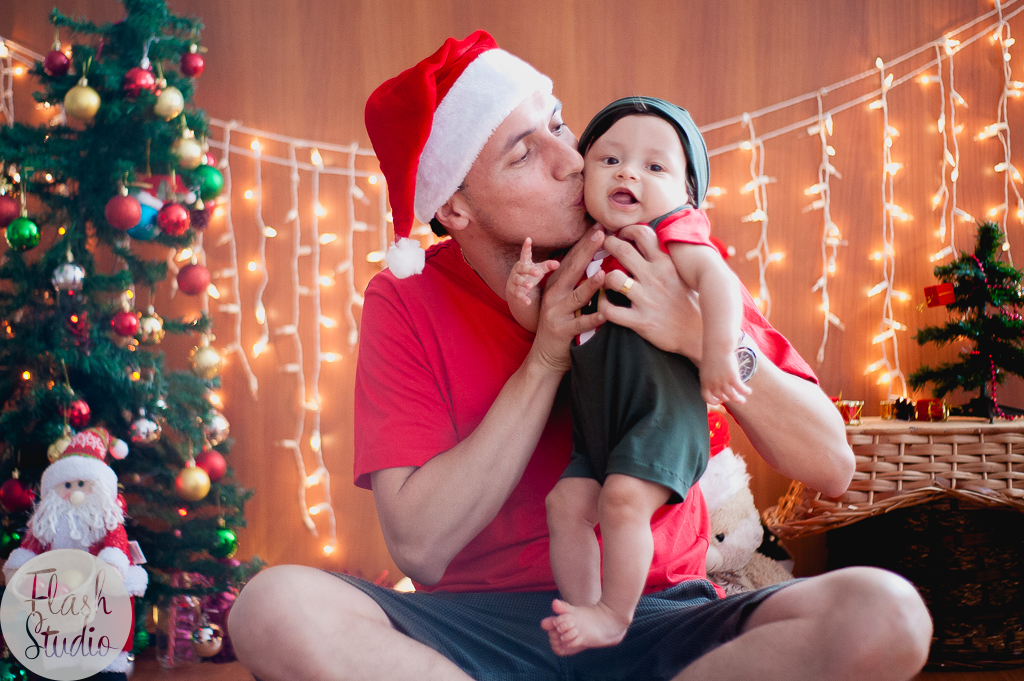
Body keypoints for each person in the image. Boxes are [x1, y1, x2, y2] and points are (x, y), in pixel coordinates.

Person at [228, 30, 933, 681]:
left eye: (560, 123)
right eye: (523, 151)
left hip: (663, 614)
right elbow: (420, 547)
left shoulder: (653, 249)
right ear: (458, 209)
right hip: (476, 633)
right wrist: (545, 357)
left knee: (886, 611)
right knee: (274, 606)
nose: (574, 159)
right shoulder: (406, 299)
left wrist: (696, 335)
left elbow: (832, 465)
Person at [505, 96, 770, 656]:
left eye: (655, 167)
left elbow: (719, 283)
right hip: (600, 428)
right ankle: (585, 611)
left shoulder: (676, 236)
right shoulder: (586, 249)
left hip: (661, 421)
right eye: (610, 160)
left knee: (622, 503)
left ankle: (613, 615)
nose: (628, 173)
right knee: (566, 505)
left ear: (688, 195)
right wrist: (525, 298)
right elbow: (551, 324)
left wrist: (717, 349)